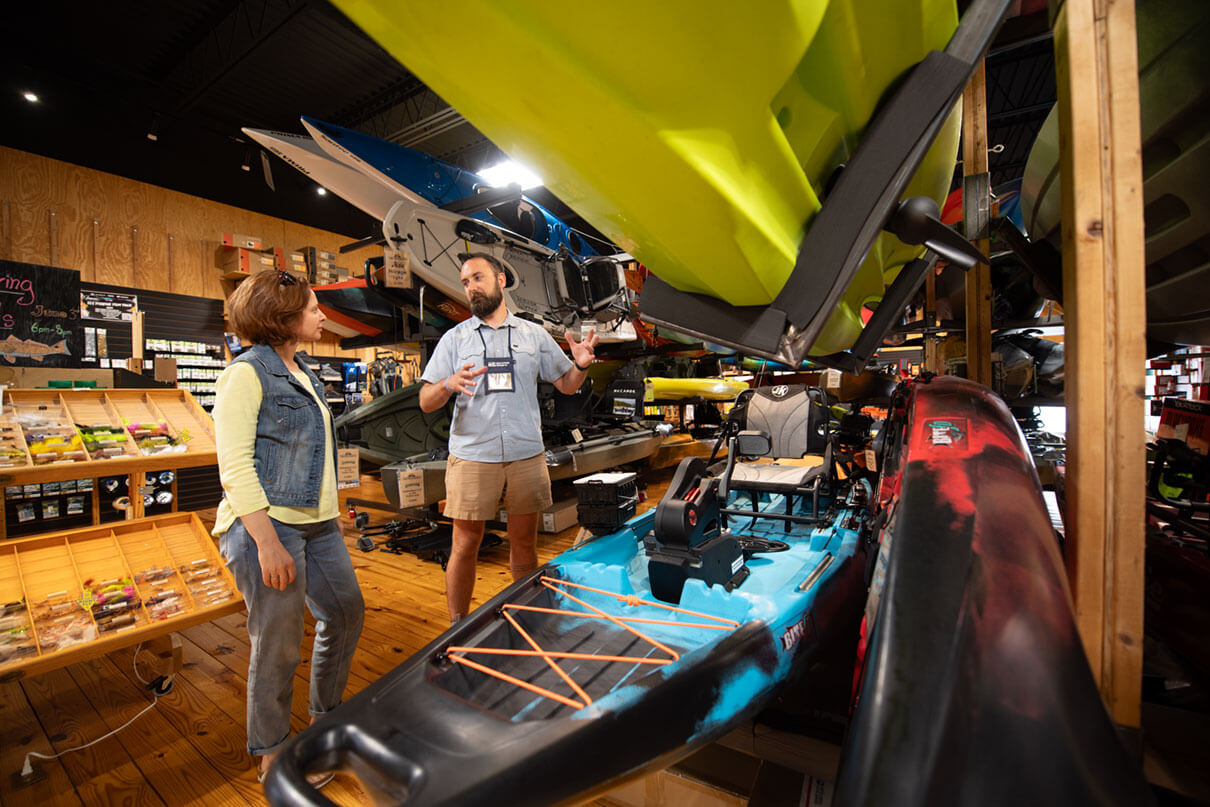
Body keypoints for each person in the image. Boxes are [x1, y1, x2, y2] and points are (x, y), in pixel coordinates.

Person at [212, 269, 364, 787]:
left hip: (317, 524)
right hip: (268, 527)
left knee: (345, 612)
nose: (321, 316)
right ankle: (272, 749)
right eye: (313, 308)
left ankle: (325, 719)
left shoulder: (303, 371)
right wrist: (267, 542)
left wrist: (330, 507)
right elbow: (235, 467)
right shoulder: (245, 373)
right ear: (283, 316)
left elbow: (313, 452)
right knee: (278, 641)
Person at [418, 252, 597, 622]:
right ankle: (456, 624)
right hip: (473, 456)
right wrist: (448, 383)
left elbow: (566, 384)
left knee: (524, 542)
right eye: (465, 282)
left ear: (500, 280)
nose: (471, 287)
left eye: (478, 278)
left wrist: (580, 364)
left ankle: (527, 617)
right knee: (465, 544)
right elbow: (425, 400)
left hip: (525, 454)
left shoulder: (534, 335)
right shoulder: (454, 339)